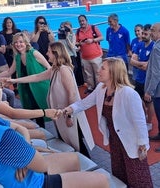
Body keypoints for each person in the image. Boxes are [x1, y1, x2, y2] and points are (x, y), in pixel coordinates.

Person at [0, 67, 109, 188]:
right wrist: (23, 159)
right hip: (29, 184)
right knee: (102, 180)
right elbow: (42, 166)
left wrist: (21, 159)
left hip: (6, 176)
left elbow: (20, 131)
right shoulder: (3, 136)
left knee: (74, 158)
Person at [63, 57, 153, 187]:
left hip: (131, 142)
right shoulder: (101, 88)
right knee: (119, 174)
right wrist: (69, 110)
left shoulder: (128, 93)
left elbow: (139, 121)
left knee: (137, 178)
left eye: (103, 68)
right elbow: (85, 103)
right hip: (115, 140)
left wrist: (142, 144)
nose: (98, 71)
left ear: (113, 72)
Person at [5, 42, 95, 157]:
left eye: (49, 51)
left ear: (56, 53)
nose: (46, 53)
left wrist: (69, 116)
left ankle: (85, 169)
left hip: (68, 114)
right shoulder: (55, 69)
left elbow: (72, 94)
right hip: (61, 115)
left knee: (77, 144)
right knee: (68, 142)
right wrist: (14, 81)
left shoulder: (64, 70)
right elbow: (36, 77)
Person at [0, 32, 51, 128]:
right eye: (16, 42)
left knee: (44, 111)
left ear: (26, 42)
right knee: (34, 112)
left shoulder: (34, 53)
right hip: (26, 89)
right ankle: (41, 131)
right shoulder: (17, 57)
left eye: (21, 42)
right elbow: (9, 72)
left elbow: (49, 68)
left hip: (40, 87)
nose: (18, 44)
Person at [130, 24, 154, 131]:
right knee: (139, 101)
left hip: (148, 80)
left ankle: (149, 123)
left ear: (151, 34)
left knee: (149, 102)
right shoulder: (139, 45)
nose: (143, 35)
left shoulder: (154, 47)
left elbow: (148, 66)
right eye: (142, 33)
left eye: (145, 34)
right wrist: (141, 64)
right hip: (139, 79)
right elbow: (132, 61)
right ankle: (143, 117)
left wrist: (139, 63)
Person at [76, 15, 103, 94]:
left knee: (98, 73)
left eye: (83, 20)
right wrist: (80, 43)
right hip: (85, 57)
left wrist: (92, 40)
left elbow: (101, 37)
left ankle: (99, 89)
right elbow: (76, 42)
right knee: (89, 75)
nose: (82, 22)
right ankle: (91, 88)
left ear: (86, 20)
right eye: (80, 21)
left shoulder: (93, 28)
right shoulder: (78, 31)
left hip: (96, 56)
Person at [144, 23, 160, 145]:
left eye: (153, 31)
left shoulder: (156, 48)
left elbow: (155, 73)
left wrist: (149, 91)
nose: (151, 33)